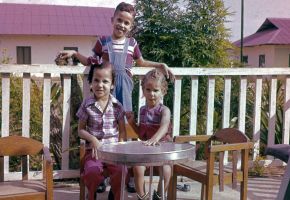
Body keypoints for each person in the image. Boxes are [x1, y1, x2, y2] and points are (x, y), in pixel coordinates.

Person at [76, 61, 126, 200]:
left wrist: (121, 148)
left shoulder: (117, 106)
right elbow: (80, 130)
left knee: (123, 171)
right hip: (94, 152)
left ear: (112, 84)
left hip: (114, 153)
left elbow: (122, 132)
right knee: (92, 172)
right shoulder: (87, 104)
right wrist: (93, 139)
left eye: (105, 81)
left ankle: (115, 194)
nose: (100, 85)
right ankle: (91, 196)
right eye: (96, 80)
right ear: (91, 83)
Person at [126, 69, 172, 200]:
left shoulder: (164, 110)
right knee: (137, 168)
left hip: (162, 151)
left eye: (156, 90)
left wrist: (154, 139)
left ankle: (159, 195)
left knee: (167, 169)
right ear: (143, 90)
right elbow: (141, 134)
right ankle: (143, 196)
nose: (152, 94)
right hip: (146, 151)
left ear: (163, 91)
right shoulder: (142, 110)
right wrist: (132, 122)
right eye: (148, 89)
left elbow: (164, 126)